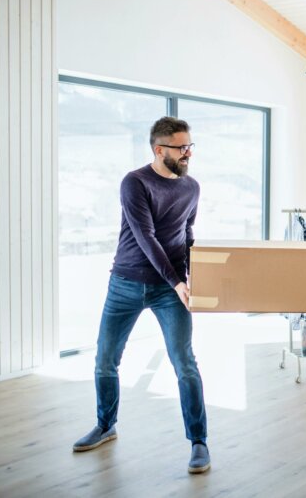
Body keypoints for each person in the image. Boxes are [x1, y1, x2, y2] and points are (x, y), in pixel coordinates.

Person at [73, 117, 210, 474]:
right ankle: (106, 425)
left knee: (185, 364)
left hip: (171, 289)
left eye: (190, 147)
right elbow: (146, 236)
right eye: (181, 148)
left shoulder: (191, 187)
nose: (188, 154)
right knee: (106, 358)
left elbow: (187, 231)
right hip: (127, 283)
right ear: (159, 149)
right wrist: (177, 281)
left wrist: (198, 275)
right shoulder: (135, 183)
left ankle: (199, 442)